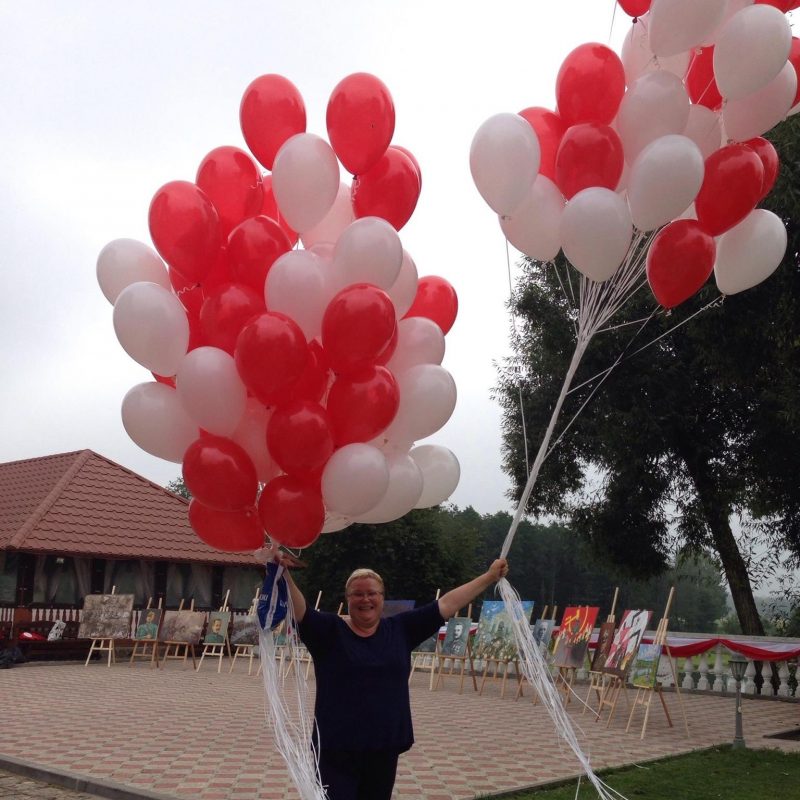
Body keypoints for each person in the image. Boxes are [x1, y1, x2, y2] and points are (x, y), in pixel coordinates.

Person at [276, 553, 509, 800]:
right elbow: (300, 610)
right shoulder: (330, 632)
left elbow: (447, 604)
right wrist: (283, 572)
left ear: (382, 597)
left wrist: (489, 576)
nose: (365, 599)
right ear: (348, 599)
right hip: (336, 750)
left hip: (383, 748)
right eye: (358, 593)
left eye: (372, 593)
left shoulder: (401, 629)